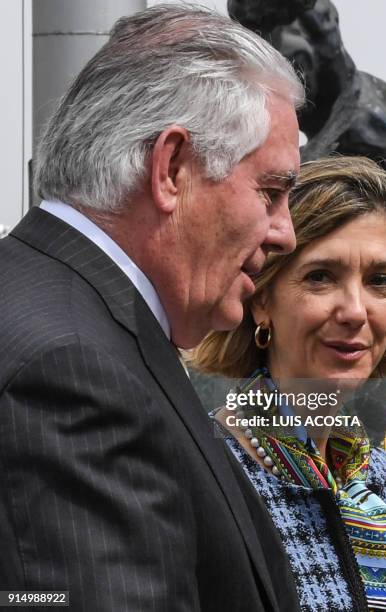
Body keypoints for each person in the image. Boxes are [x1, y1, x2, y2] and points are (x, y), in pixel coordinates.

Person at [0, 4, 305, 610]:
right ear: (171, 169)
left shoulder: (68, 317)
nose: (285, 234)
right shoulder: (74, 367)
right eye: (271, 192)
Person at [193, 156, 386, 611]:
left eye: (380, 280)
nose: (356, 310)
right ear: (261, 300)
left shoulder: (380, 479)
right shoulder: (205, 471)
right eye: (321, 276)